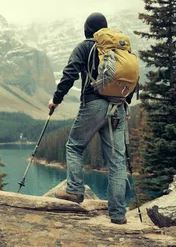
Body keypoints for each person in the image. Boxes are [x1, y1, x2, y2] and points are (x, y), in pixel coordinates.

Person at [48, 12, 134, 225]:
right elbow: (130, 79)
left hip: (94, 104)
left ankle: (75, 191)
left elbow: (69, 74)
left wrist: (56, 100)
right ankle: (118, 215)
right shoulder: (119, 49)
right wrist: (125, 102)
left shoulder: (85, 47)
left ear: (87, 30)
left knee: (75, 146)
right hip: (119, 106)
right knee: (116, 162)